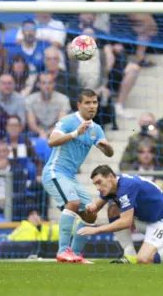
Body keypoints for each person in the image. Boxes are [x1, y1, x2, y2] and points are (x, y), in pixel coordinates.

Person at [42, 89, 114, 263]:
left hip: (70, 177)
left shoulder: (96, 129)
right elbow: (51, 141)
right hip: (55, 171)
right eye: (88, 103)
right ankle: (62, 251)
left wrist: (106, 147)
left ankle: (74, 253)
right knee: (73, 203)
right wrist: (76, 133)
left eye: (95, 102)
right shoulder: (68, 121)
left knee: (91, 212)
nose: (92, 106)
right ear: (79, 105)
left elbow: (110, 154)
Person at [78, 166, 163, 264]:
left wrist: (96, 230)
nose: (97, 187)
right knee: (113, 209)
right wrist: (87, 208)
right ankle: (129, 254)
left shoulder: (127, 186)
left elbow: (126, 222)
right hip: (146, 222)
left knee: (144, 260)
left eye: (99, 182)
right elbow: (92, 214)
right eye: (95, 184)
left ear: (110, 176)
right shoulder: (111, 188)